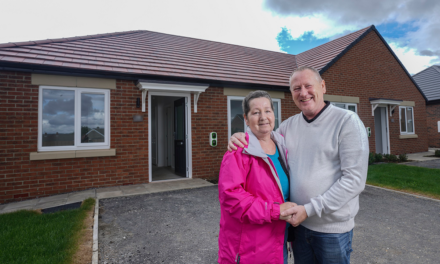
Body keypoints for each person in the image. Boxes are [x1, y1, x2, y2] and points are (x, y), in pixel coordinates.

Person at [228, 66, 369, 264]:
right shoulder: (288, 126)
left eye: (308, 86)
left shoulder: (346, 122)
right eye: (296, 88)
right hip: (297, 227)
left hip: (331, 232)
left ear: (323, 86)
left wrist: (309, 209)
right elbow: (262, 135)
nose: (303, 93)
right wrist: (240, 136)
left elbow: (354, 181)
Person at [218, 90, 296, 264]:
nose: (263, 117)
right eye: (256, 112)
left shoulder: (282, 145)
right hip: (249, 249)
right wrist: (276, 211)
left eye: (268, 110)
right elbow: (232, 199)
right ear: (246, 119)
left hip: (278, 242)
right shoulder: (238, 152)